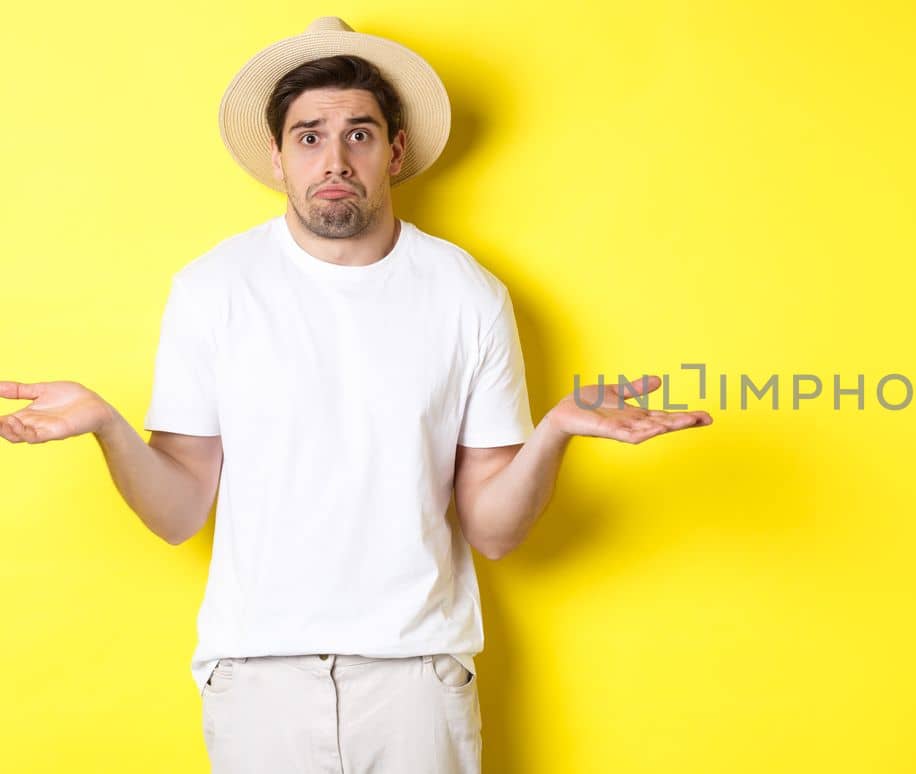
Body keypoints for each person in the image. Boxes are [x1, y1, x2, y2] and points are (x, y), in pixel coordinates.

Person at [0, 16, 711, 774]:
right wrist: (109, 425)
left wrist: (555, 432)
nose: (334, 158)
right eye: (309, 136)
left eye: (359, 134)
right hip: (257, 678)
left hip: (417, 679)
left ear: (395, 151)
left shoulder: (468, 294)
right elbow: (178, 514)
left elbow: (496, 531)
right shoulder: (212, 289)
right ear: (277, 157)